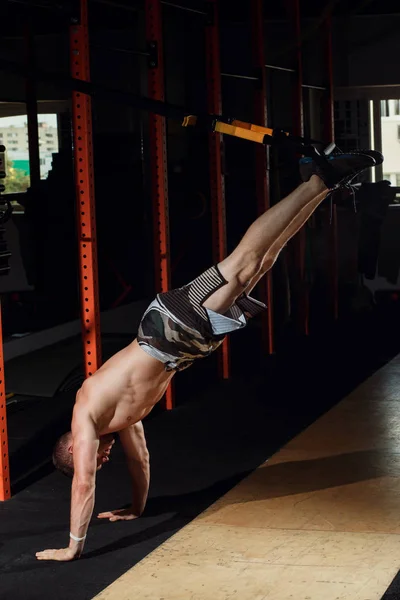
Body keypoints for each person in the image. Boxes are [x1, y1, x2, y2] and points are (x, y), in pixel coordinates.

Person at [36, 149, 383, 561]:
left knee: (242, 263)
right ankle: (321, 186)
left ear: (75, 449)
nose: (100, 459)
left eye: (92, 459)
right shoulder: (119, 421)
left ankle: (315, 180)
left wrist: (72, 548)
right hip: (183, 343)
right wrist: (138, 507)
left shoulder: (87, 414)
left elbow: (83, 484)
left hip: (166, 328)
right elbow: (141, 460)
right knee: (262, 263)